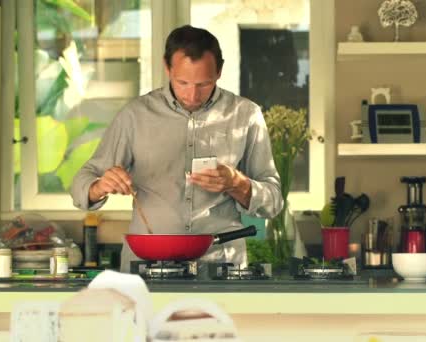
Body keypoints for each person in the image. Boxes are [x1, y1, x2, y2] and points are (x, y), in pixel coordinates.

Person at [71, 25, 283, 272]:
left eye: (203, 84)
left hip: (221, 266)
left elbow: (274, 202)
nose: (192, 95)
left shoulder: (246, 115)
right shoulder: (135, 116)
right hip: (147, 265)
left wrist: (236, 183)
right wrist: (100, 187)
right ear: (167, 67)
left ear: (220, 70)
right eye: (182, 82)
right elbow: (80, 186)